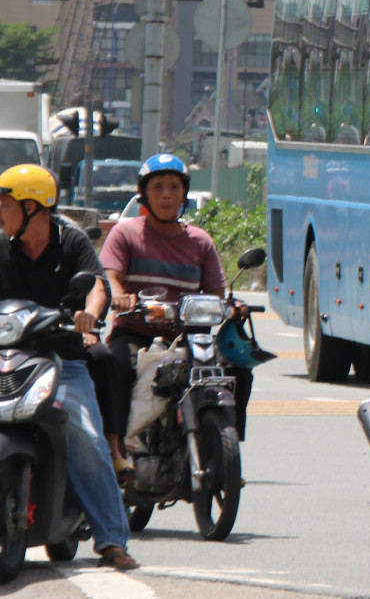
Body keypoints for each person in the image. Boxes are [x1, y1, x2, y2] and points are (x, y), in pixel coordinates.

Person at [0, 164, 135, 570]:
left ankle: (112, 539)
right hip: (8, 357)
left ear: (30, 206)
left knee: (87, 439)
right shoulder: (2, 246)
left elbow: (96, 285)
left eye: (4, 204)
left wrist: (90, 316)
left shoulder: (71, 241)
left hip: (61, 360)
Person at [99, 154, 242, 437]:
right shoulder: (125, 234)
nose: (167, 195)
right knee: (115, 367)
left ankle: (227, 435)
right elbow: (110, 276)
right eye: (158, 187)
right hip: (135, 333)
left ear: (184, 193)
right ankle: (115, 447)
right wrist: (120, 297)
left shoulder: (201, 241)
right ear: (143, 194)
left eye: (174, 187)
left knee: (236, 370)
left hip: (189, 335)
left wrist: (230, 306)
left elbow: (215, 291)